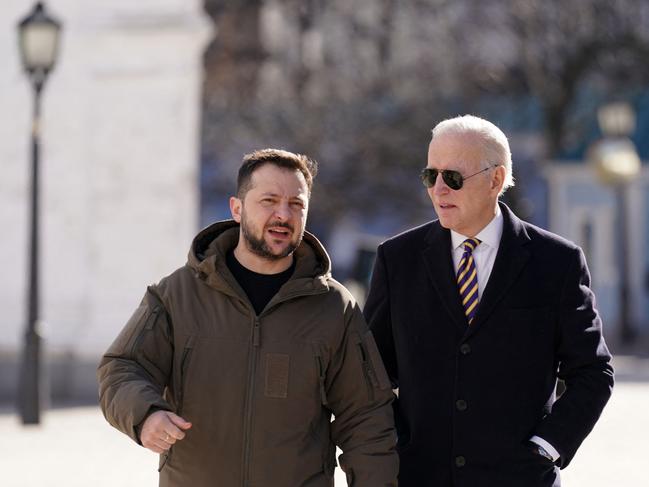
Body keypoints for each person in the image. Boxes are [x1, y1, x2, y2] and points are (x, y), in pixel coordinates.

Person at [98, 149, 398, 487]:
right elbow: (121, 368)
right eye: (269, 201)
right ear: (237, 209)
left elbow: (366, 418)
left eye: (296, 204)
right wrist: (146, 414)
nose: (283, 214)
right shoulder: (177, 294)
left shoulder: (334, 308)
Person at [363, 115, 614, 487]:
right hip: (420, 477)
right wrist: (399, 442)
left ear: (496, 179)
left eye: (453, 178)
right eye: (430, 176)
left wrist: (548, 447)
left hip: (520, 479)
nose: (438, 190)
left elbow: (593, 372)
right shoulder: (397, 259)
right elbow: (371, 374)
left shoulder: (556, 262)